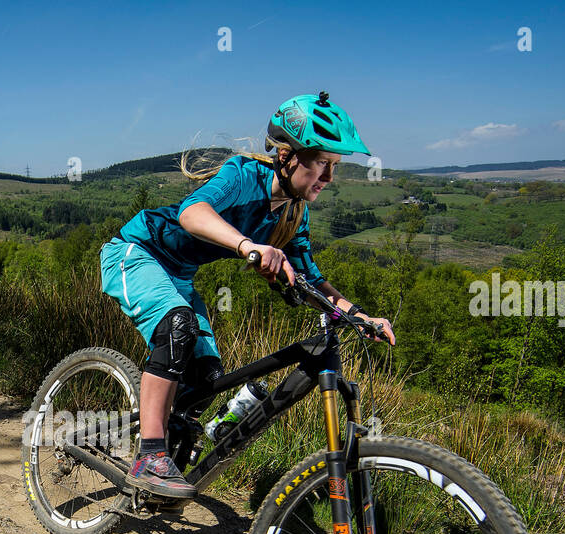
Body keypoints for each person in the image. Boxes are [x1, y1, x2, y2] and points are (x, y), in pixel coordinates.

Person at [98, 92, 395, 499]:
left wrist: (358, 315)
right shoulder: (242, 176)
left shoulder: (293, 213)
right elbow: (192, 212)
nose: (328, 178)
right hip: (136, 252)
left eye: (334, 167)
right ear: (288, 156)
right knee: (176, 327)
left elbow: (311, 279)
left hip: (179, 274)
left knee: (205, 378)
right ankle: (150, 456)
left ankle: (159, 456)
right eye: (322, 164)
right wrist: (249, 247)